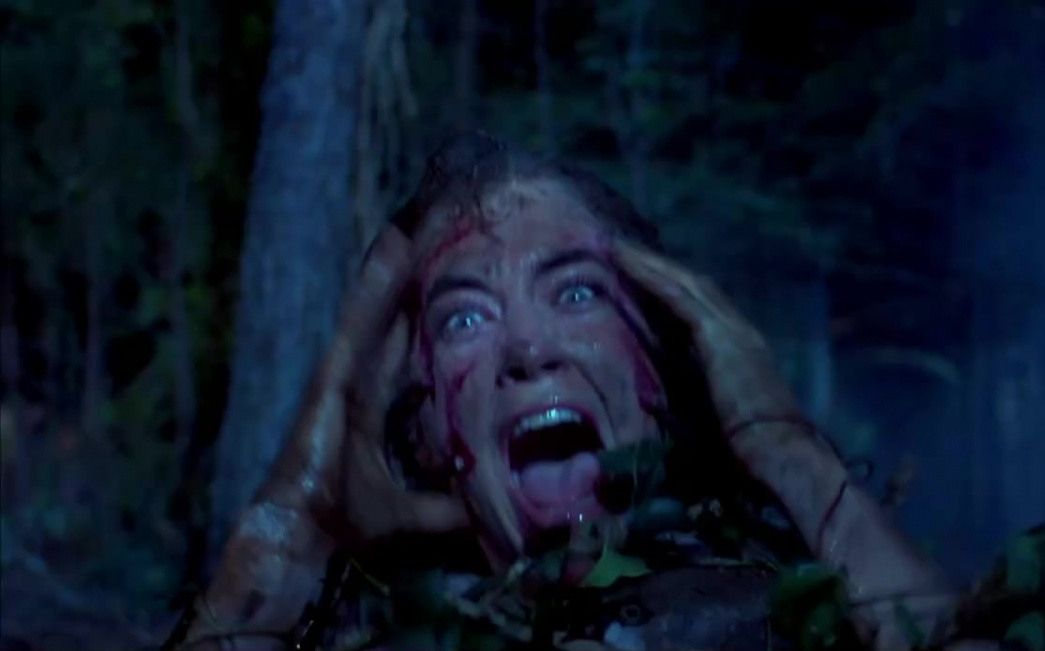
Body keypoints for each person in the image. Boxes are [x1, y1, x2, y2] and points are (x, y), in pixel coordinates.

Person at [174, 133, 977, 650]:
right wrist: (296, 527)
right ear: (428, 434)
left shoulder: (771, 615)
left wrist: (788, 452)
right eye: (465, 318)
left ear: (656, 378)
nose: (528, 349)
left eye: (577, 293)